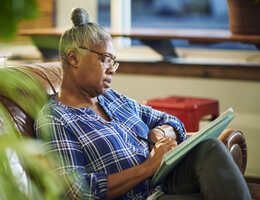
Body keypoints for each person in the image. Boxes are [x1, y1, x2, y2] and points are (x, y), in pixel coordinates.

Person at [35, 8, 251, 200]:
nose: (111, 69)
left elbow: (169, 120)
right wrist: (149, 167)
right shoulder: (56, 119)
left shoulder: (112, 98)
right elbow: (77, 191)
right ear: (73, 58)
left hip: (163, 181)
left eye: (114, 62)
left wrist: (161, 134)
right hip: (140, 194)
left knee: (210, 147)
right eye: (105, 59)